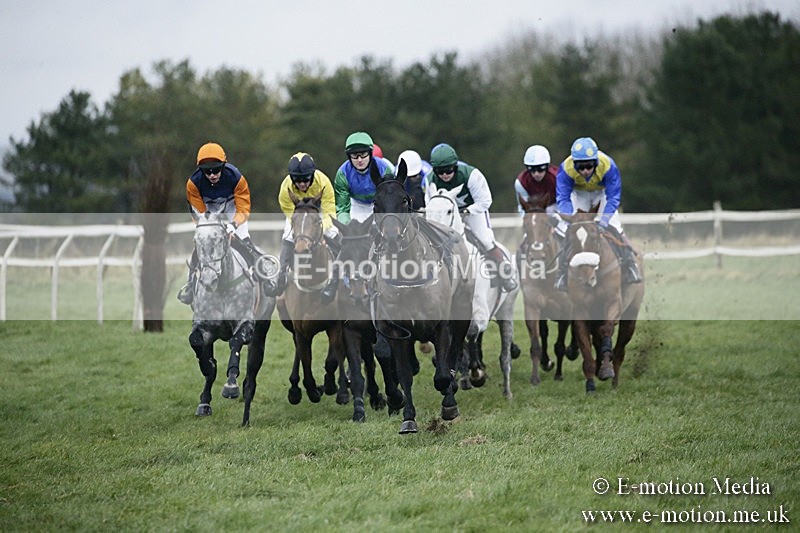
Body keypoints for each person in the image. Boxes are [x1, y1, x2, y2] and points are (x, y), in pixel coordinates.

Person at [177, 142, 266, 304]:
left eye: (216, 170)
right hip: (208, 209)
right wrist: (213, 229)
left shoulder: (236, 177)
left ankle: (264, 277)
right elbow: (199, 214)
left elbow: (243, 208)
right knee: (204, 243)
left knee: (243, 239)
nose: (212, 175)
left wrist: (233, 225)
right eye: (207, 171)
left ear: (224, 166)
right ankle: (190, 284)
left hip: (232, 205)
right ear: (200, 170)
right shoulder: (193, 184)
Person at [553, 136, 642, 291]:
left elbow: (613, 196)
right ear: (574, 164)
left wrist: (605, 220)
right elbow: (563, 197)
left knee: (615, 227)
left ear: (596, 162)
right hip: (579, 195)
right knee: (569, 231)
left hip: (603, 194)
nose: (585, 171)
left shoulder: (608, 165)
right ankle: (562, 273)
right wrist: (571, 218)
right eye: (580, 167)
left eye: (589, 166)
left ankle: (630, 265)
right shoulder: (565, 169)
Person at [426, 143, 517, 292]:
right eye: (439, 171)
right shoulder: (430, 179)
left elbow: (485, 201)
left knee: (485, 239)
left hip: (473, 211)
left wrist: (466, 211)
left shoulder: (472, 175)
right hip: (446, 214)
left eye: (448, 170)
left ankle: (504, 272)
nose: (444, 175)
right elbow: (430, 203)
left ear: (455, 166)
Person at [268, 151, 339, 297]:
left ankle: (342, 275)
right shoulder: (286, 188)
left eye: (305, 179)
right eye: (297, 180)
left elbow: (329, 213)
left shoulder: (323, 182)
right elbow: (290, 214)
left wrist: (321, 230)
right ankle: (281, 276)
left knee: (334, 233)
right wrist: (300, 229)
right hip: (297, 215)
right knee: (288, 235)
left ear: (312, 175)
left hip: (318, 214)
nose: (301, 184)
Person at [333, 132, 394, 223]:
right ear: (349, 156)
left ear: (370, 153)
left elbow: (390, 199)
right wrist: (346, 225)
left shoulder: (384, 169)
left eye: (363, 154)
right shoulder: (342, 174)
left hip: (378, 205)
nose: (359, 160)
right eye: (354, 155)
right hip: (356, 205)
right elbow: (342, 208)